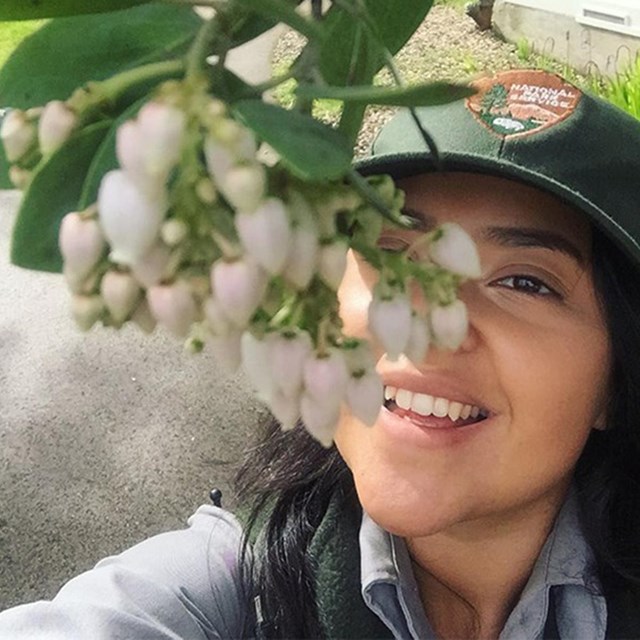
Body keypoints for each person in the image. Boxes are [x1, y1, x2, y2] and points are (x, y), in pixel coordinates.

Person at [2, 67, 640, 639]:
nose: (429, 323)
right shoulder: (236, 584)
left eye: (526, 282)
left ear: (616, 379)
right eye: (389, 252)